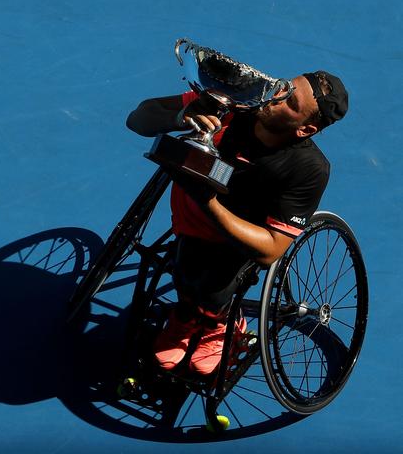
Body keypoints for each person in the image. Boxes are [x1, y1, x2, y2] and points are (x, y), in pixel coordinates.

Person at [125, 71, 349, 375]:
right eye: (283, 87)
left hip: (232, 241)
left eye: (290, 101)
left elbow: (271, 250)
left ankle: (220, 324)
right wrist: (182, 116)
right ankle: (188, 317)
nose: (276, 95)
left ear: (305, 128)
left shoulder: (309, 170)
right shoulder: (236, 102)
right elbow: (138, 119)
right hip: (187, 219)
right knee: (187, 272)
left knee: (209, 282)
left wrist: (208, 204)